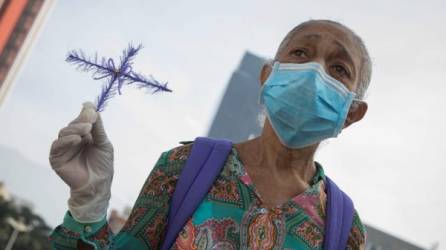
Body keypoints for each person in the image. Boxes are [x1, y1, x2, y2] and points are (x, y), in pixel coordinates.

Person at [49, 19, 371, 249]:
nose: (315, 73)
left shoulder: (344, 231)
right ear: (267, 75)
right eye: (301, 53)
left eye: (339, 69)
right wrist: (88, 205)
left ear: (352, 113)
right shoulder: (185, 167)